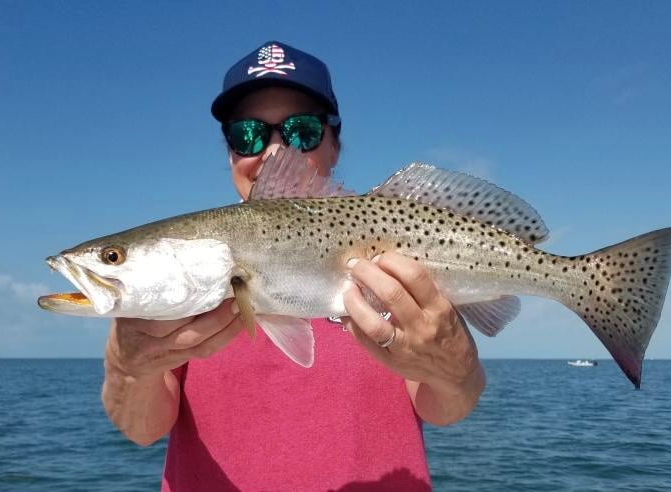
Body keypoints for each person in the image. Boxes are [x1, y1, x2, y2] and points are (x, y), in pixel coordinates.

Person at [101, 41, 486, 491]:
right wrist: (127, 368)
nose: (273, 152)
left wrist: (458, 369)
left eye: (301, 131)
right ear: (229, 152)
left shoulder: (398, 249)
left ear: (335, 144)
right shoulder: (182, 277)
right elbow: (142, 429)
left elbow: (446, 407)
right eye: (248, 134)